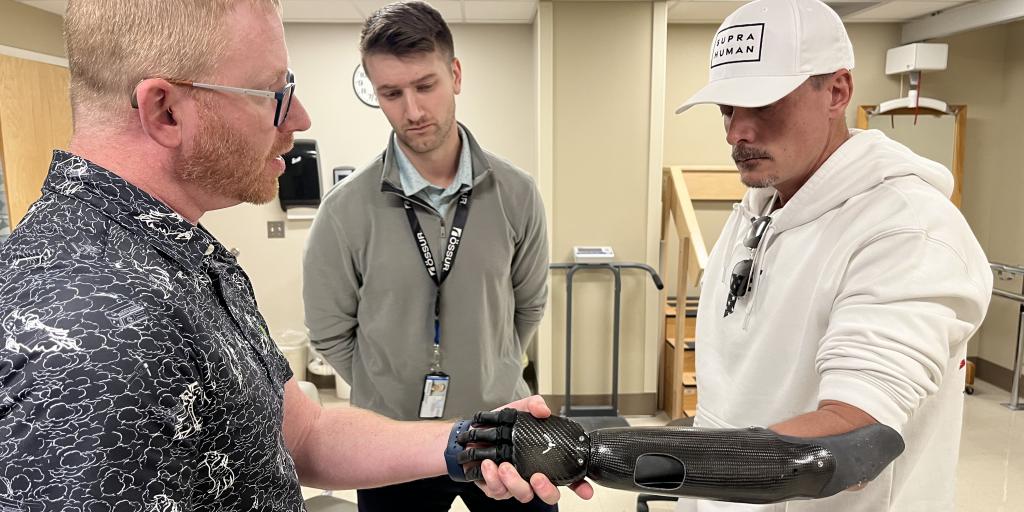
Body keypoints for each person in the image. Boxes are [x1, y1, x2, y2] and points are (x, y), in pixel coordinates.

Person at [0, 1, 591, 510]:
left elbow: (301, 434)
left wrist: (470, 438)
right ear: (165, 110)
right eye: (274, 93)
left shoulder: (178, 251)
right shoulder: (86, 332)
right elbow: (332, 333)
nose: (301, 118)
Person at [669, 0, 992, 510]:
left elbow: (850, 440)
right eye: (728, 109)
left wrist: (604, 456)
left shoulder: (908, 229)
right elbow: (728, 406)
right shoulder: (755, 211)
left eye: (762, 104)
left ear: (837, 91)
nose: (736, 133)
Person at [302, 2, 551, 511]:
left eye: (425, 85)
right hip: (390, 438)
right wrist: (386, 386)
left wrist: (491, 366)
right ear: (375, 92)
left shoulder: (517, 194)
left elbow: (528, 306)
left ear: (455, 75)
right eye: (391, 93)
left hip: (499, 427)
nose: (412, 110)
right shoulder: (345, 209)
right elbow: (329, 330)